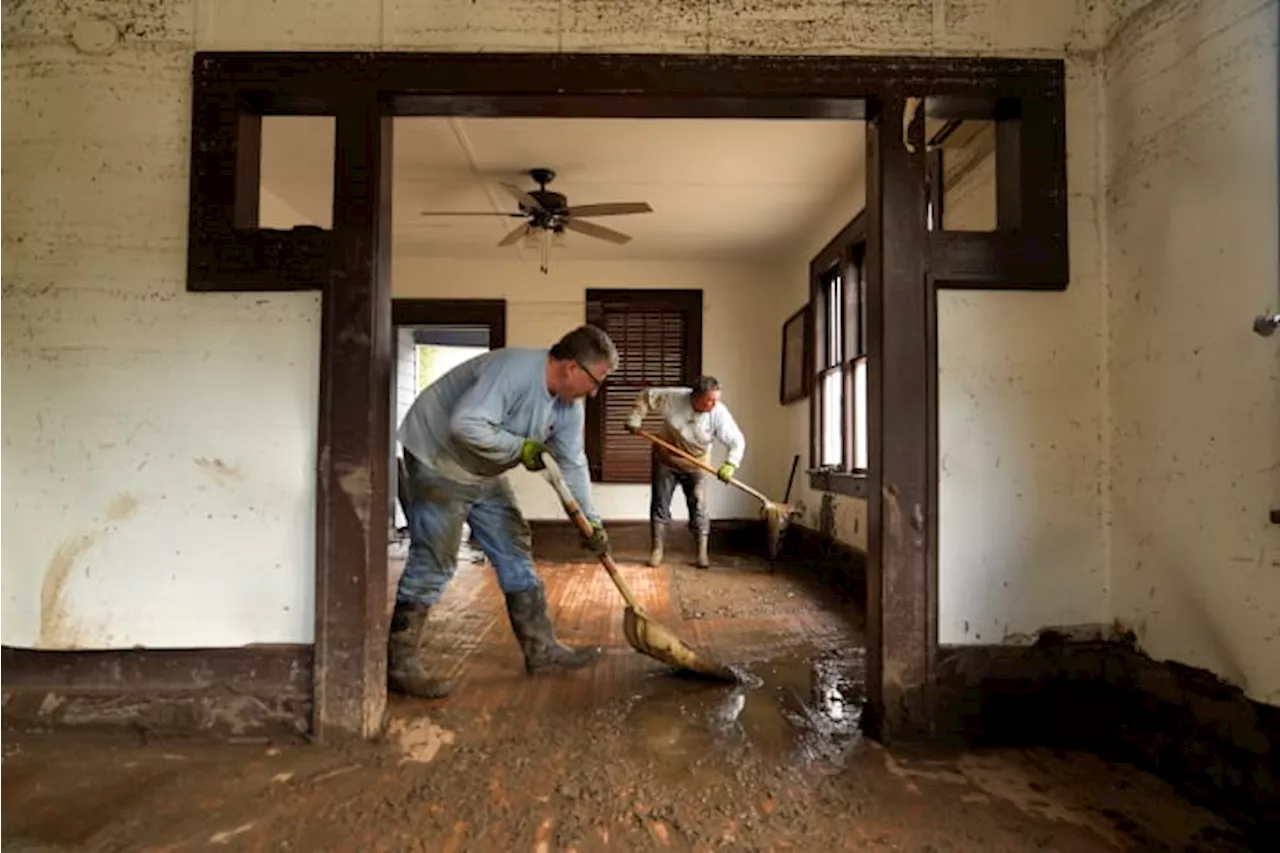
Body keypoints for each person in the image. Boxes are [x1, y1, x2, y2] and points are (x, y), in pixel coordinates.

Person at [390, 325, 617, 699]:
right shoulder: (513, 371)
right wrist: (521, 448)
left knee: (515, 548)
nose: (594, 392)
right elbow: (464, 424)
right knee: (435, 559)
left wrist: (590, 521)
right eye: (595, 381)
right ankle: (399, 665)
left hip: (482, 468)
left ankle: (541, 649)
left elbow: (572, 463)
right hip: (437, 458)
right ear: (571, 368)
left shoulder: (568, 406)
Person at [625, 375, 745, 570]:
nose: (714, 404)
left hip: (697, 464)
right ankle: (657, 550)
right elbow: (646, 396)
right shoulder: (674, 398)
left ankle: (701, 553)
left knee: (698, 506)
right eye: (709, 400)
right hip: (666, 459)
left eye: (717, 399)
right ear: (695, 396)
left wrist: (731, 464)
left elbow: (737, 441)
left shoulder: (719, 413)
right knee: (660, 503)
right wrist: (635, 417)